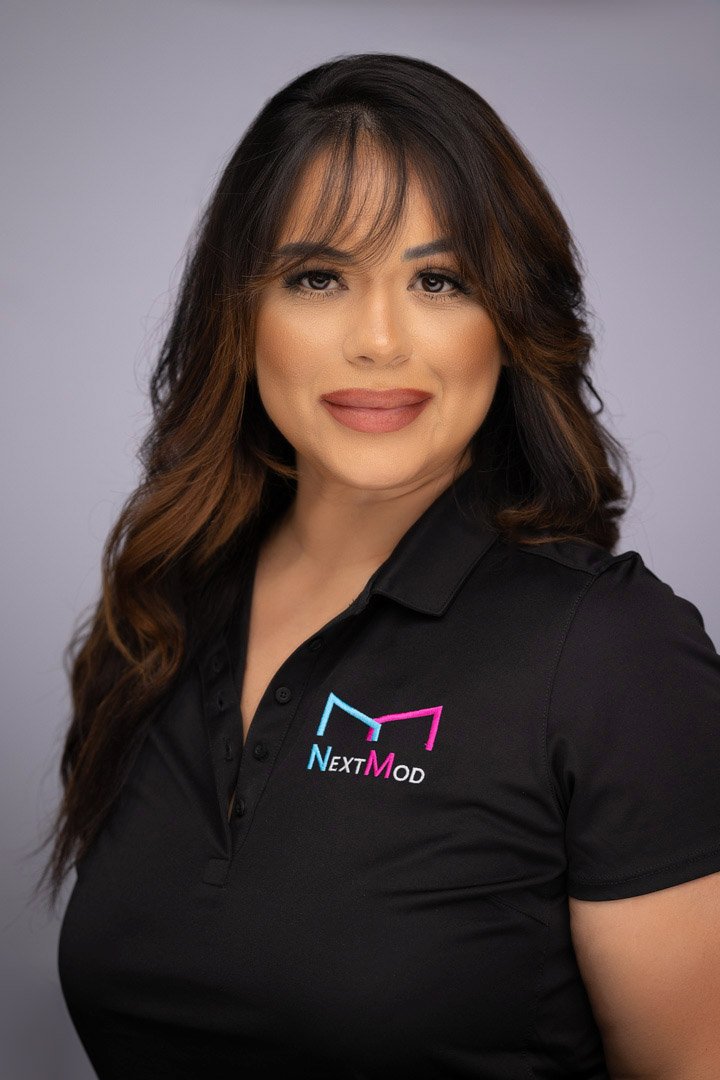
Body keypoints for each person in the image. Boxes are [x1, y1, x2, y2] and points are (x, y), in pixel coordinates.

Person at [36, 53, 720, 1078]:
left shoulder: (614, 657)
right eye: (319, 277)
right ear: (240, 312)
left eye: (440, 281)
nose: (379, 339)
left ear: (510, 323)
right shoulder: (163, 614)